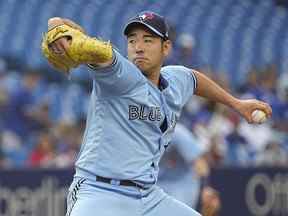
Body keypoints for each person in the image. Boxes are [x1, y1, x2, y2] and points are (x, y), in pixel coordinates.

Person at [43, 11, 272, 216]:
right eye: (132, 40)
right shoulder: (120, 75)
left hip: (148, 197)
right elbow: (99, 54)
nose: (138, 47)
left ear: (166, 47)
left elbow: (193, 80)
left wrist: (236, 103)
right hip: (99, 193)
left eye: (148, 40)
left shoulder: (175, 79)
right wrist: (56, 27)